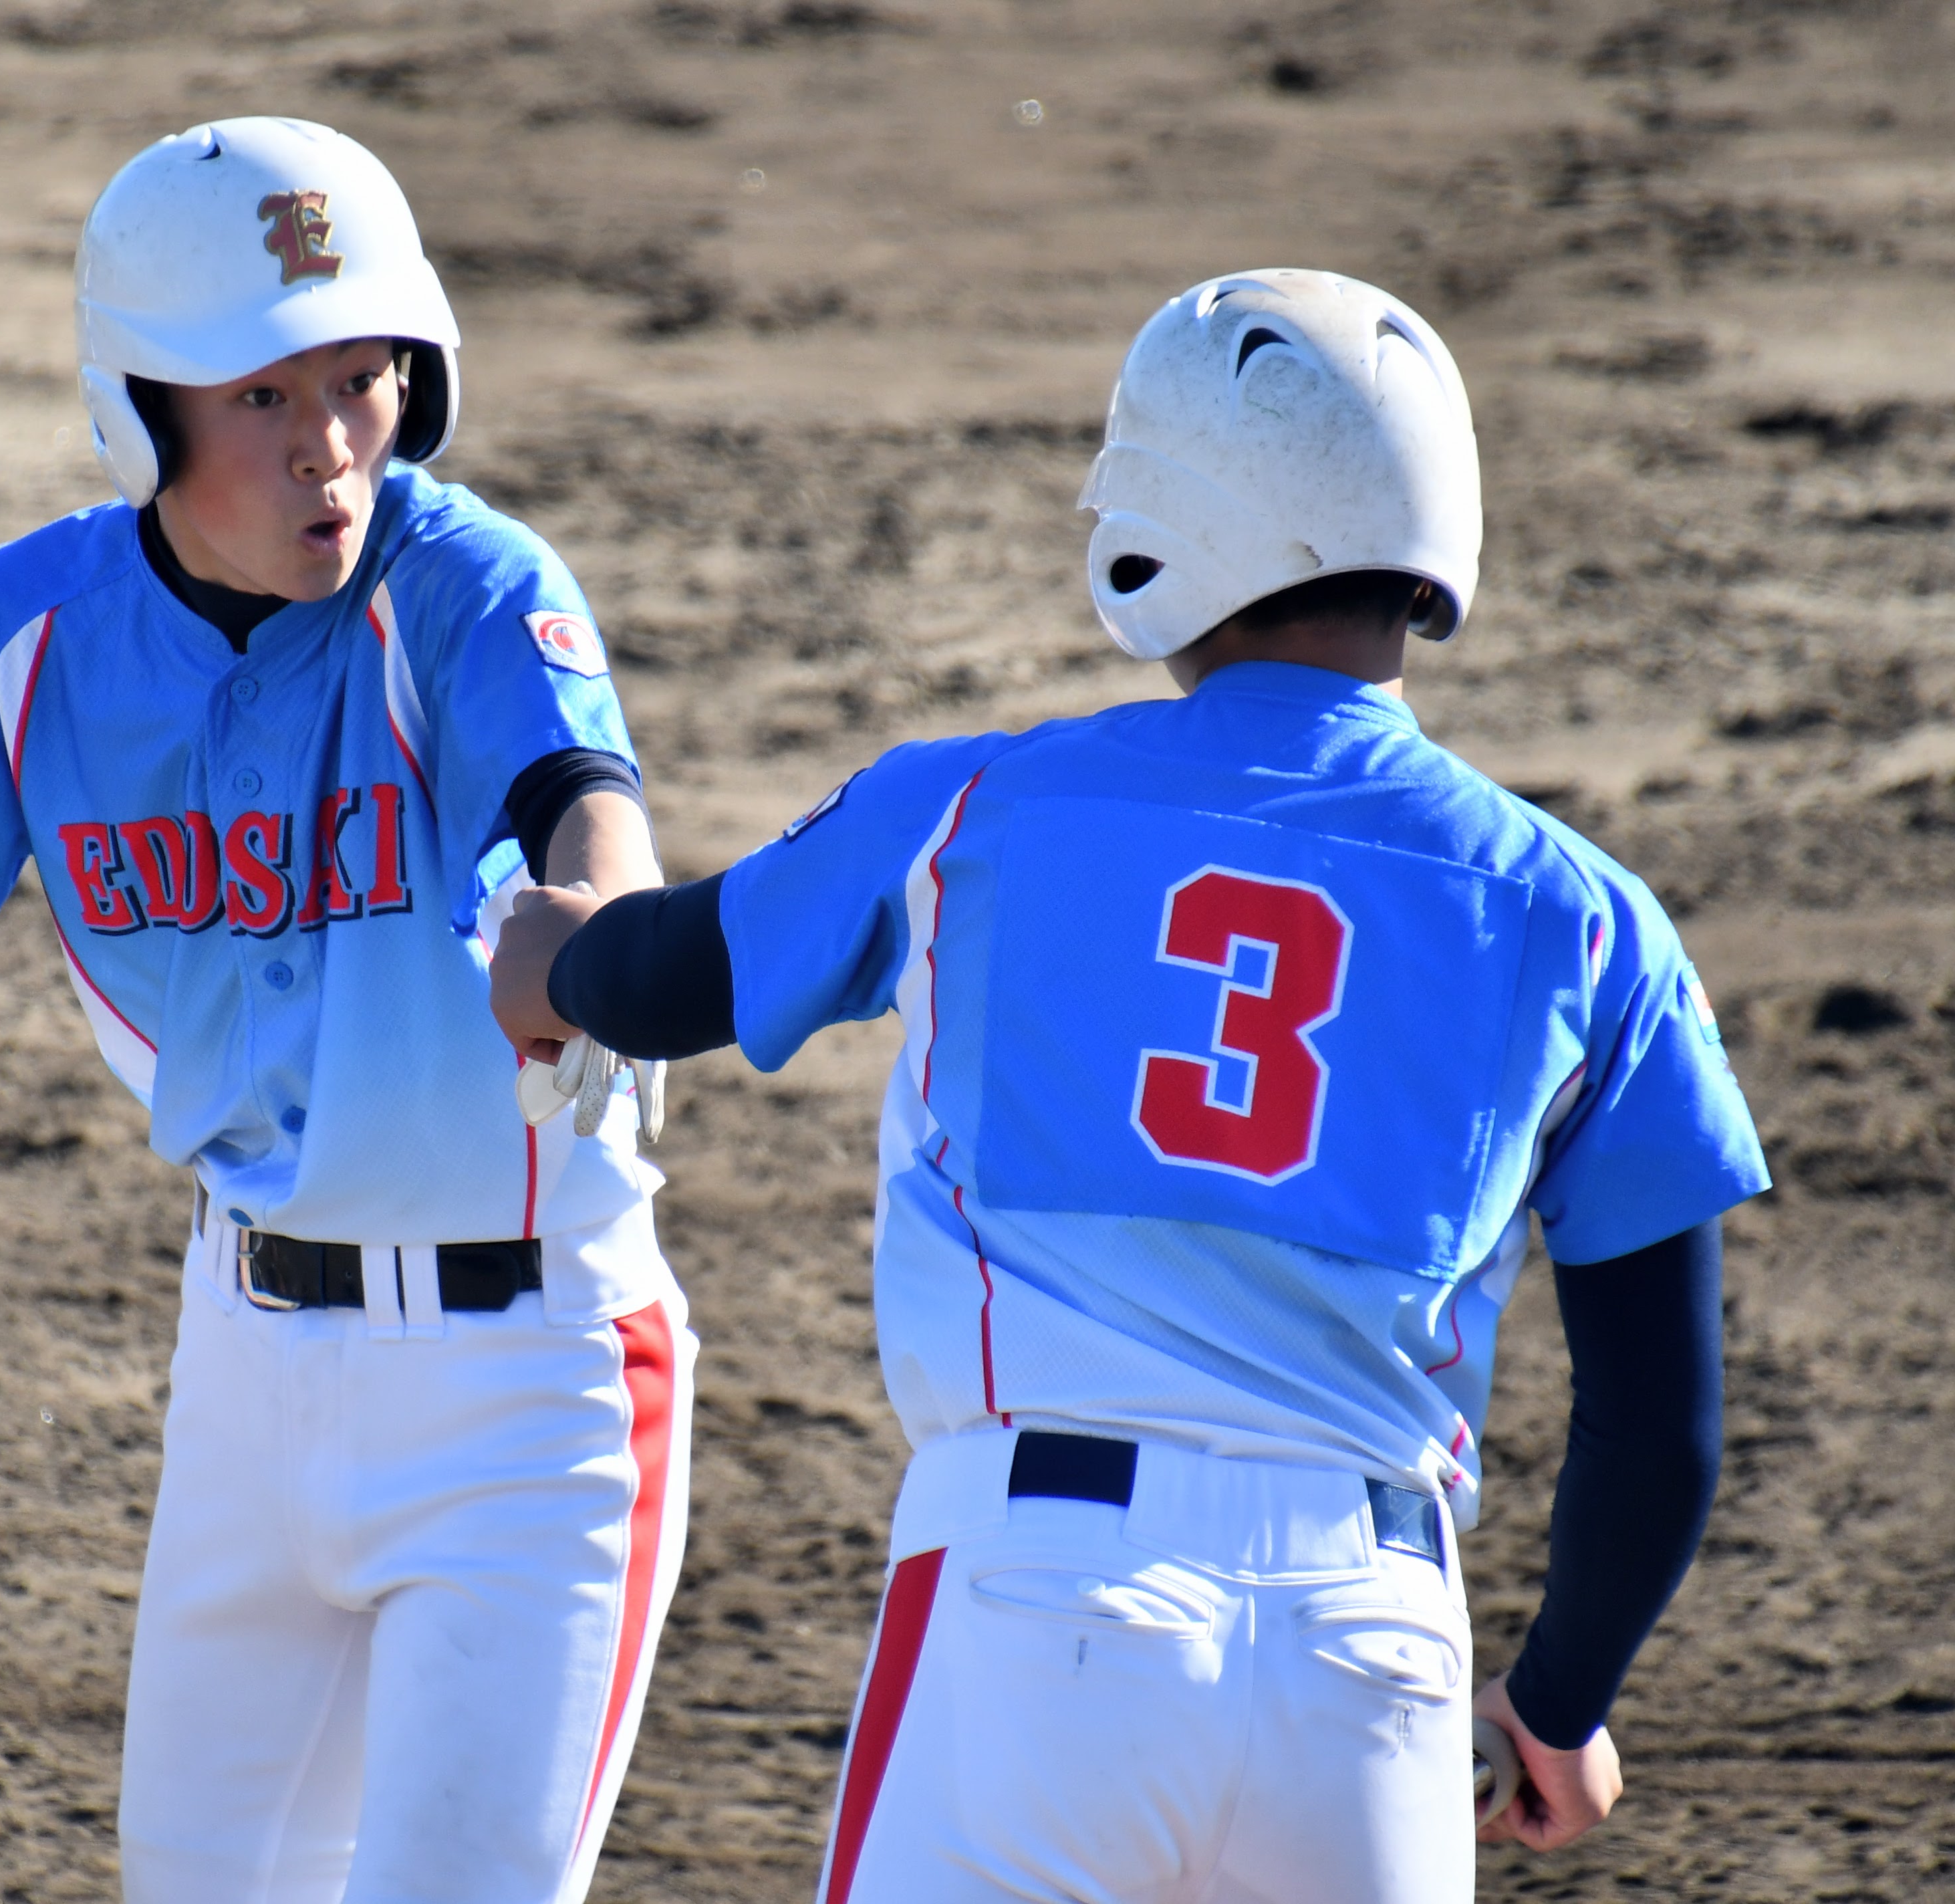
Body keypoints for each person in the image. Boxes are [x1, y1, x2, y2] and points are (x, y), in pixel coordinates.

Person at [490, 269, 1769, 1903]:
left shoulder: (975, 806)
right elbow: (1662, 1429)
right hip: (1374, 1658)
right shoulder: (1586, 914)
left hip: (1041, 1605)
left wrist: (551, 956)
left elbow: (672, 976)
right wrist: (1565, 1695)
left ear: (1165, 523)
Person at [0, 116, 693, 1904]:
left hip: (529, 1392)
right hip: (246, 1378)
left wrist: (598, 932)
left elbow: (579, 797)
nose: (330, 444)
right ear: (142, 408)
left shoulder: (464, 588)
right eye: (263, 395)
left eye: (363, 377)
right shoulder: (32, 636)